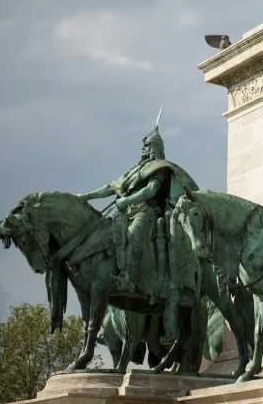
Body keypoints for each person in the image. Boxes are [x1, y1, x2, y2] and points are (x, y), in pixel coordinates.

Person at [78, 107, 199, 294]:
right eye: (143, 146)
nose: (144, 148)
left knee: (134, 237)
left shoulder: (159, 166)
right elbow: (110, 187)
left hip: (146, 213)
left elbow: (151, 190)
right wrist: (85, 197)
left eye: (147, 145)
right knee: (106, 236)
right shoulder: (133, 170)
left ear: (155, 148)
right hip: (124, 213)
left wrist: (127, 201)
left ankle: (128, 279)